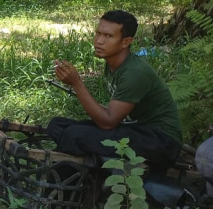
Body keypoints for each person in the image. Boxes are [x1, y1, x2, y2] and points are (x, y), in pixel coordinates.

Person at [47, 9, 182, 169]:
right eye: (98, 33)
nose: (99, 41)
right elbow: (112, 115)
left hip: (160, 141)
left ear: (126, 42)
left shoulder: (135, 73)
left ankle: (59, 188)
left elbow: (108, 123)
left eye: (108, 36)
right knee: (58, 125)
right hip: (135, 129)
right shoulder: (112, 65)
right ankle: (91, 175)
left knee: (74, 135)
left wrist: (77, 84)